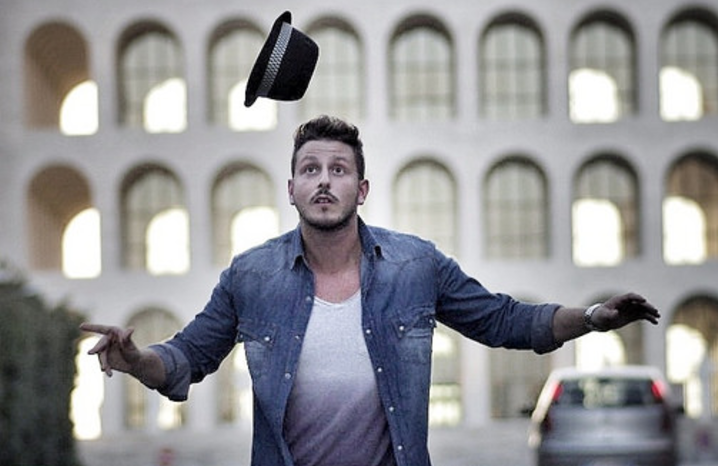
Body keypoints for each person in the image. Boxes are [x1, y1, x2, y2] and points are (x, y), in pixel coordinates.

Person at [81, 114, 661, 466]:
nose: (323, 181)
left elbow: (506, 321)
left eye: (338, 170)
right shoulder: (251, 276)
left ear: (361, 189)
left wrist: (593, 317)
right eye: (310, 169)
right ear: (290, 188)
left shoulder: (415, 265)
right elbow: (186, 358)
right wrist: (136, 360)